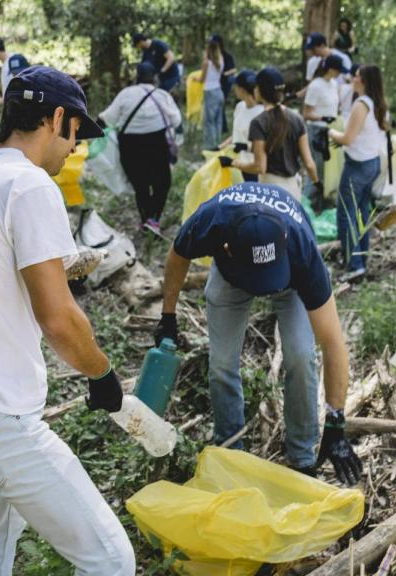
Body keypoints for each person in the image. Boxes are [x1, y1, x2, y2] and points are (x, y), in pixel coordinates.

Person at [0, 65, 135, 575]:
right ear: (57, 118)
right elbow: (58, 318)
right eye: (76, 132)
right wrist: (102, 374)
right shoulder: (29, 186)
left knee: (1, 526)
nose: (76, 148)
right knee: (111, 559)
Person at [154, 182, 364, 485]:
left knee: (302, 357)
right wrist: (168, 315)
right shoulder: (211, 221)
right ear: (224, 247)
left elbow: (332, 343)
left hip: (289, 280)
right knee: (222, 364)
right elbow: (177, 257)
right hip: (231, 278)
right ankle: (232, 451)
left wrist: (336, 424)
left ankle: (303, 457)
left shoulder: (301, 248)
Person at [99, 62, 182, 235]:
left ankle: (146, 220)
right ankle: (154, 219)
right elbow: (176, 121)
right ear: (155, 78)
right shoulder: (162, 95)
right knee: (162, 184)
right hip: (157, 145)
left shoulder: (125, 94)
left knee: (141, 185)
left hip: (130, 146)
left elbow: (108, 118)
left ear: (136, 77)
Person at [329, 64, 389, 284]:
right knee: (362, 213)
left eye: (356, 76)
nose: (352, 79)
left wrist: (331, 132)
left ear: (364, 81)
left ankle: (353, 265)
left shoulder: (361, 104)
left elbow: (347, 138)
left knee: (345, 214)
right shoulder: (378, 104)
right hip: (371, 163)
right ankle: (362, 259)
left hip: (357, 166)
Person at [223, 67, 320, 200]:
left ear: (259, 91)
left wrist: (233, 163)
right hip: (293, 188)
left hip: (270, 190)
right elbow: (309, 163)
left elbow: (260, 166)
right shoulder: (296, 118)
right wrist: (317, 183)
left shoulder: (259, 122)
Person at [302, 54, 345, 207]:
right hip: (316, 132)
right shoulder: (316, 85)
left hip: (330, 132)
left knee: (328, 171)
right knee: (316, 170)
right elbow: (306, 113)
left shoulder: (333, 84)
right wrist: (322, 118)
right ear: (331, 69)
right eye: (339, 70)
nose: (340, 74)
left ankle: (321, 203)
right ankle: (305, 204)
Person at [221, 70, 263, 183]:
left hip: (252, 166)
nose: (234, 89)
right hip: (236, 163)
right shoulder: (240, 107)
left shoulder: (261, 113)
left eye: (236, 86)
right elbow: (237, 133)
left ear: (242, 90)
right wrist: (221, 147)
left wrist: (245, 147)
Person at [199, 37, 225, 150]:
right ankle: (218, 144)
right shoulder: (220, 60)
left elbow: (202, 79)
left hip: (210, 92)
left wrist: (192, 79)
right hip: (219, 91)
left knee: (209, 122)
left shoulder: (206, 63)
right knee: (218, 121)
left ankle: (211, 147)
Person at [210, 34, 237, 135]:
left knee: (220, 104)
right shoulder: (211, 57)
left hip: (224, 83)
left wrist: (225, 74)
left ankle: (223, 127)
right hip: (214, 83)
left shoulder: (226, 56)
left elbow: (233, 69)